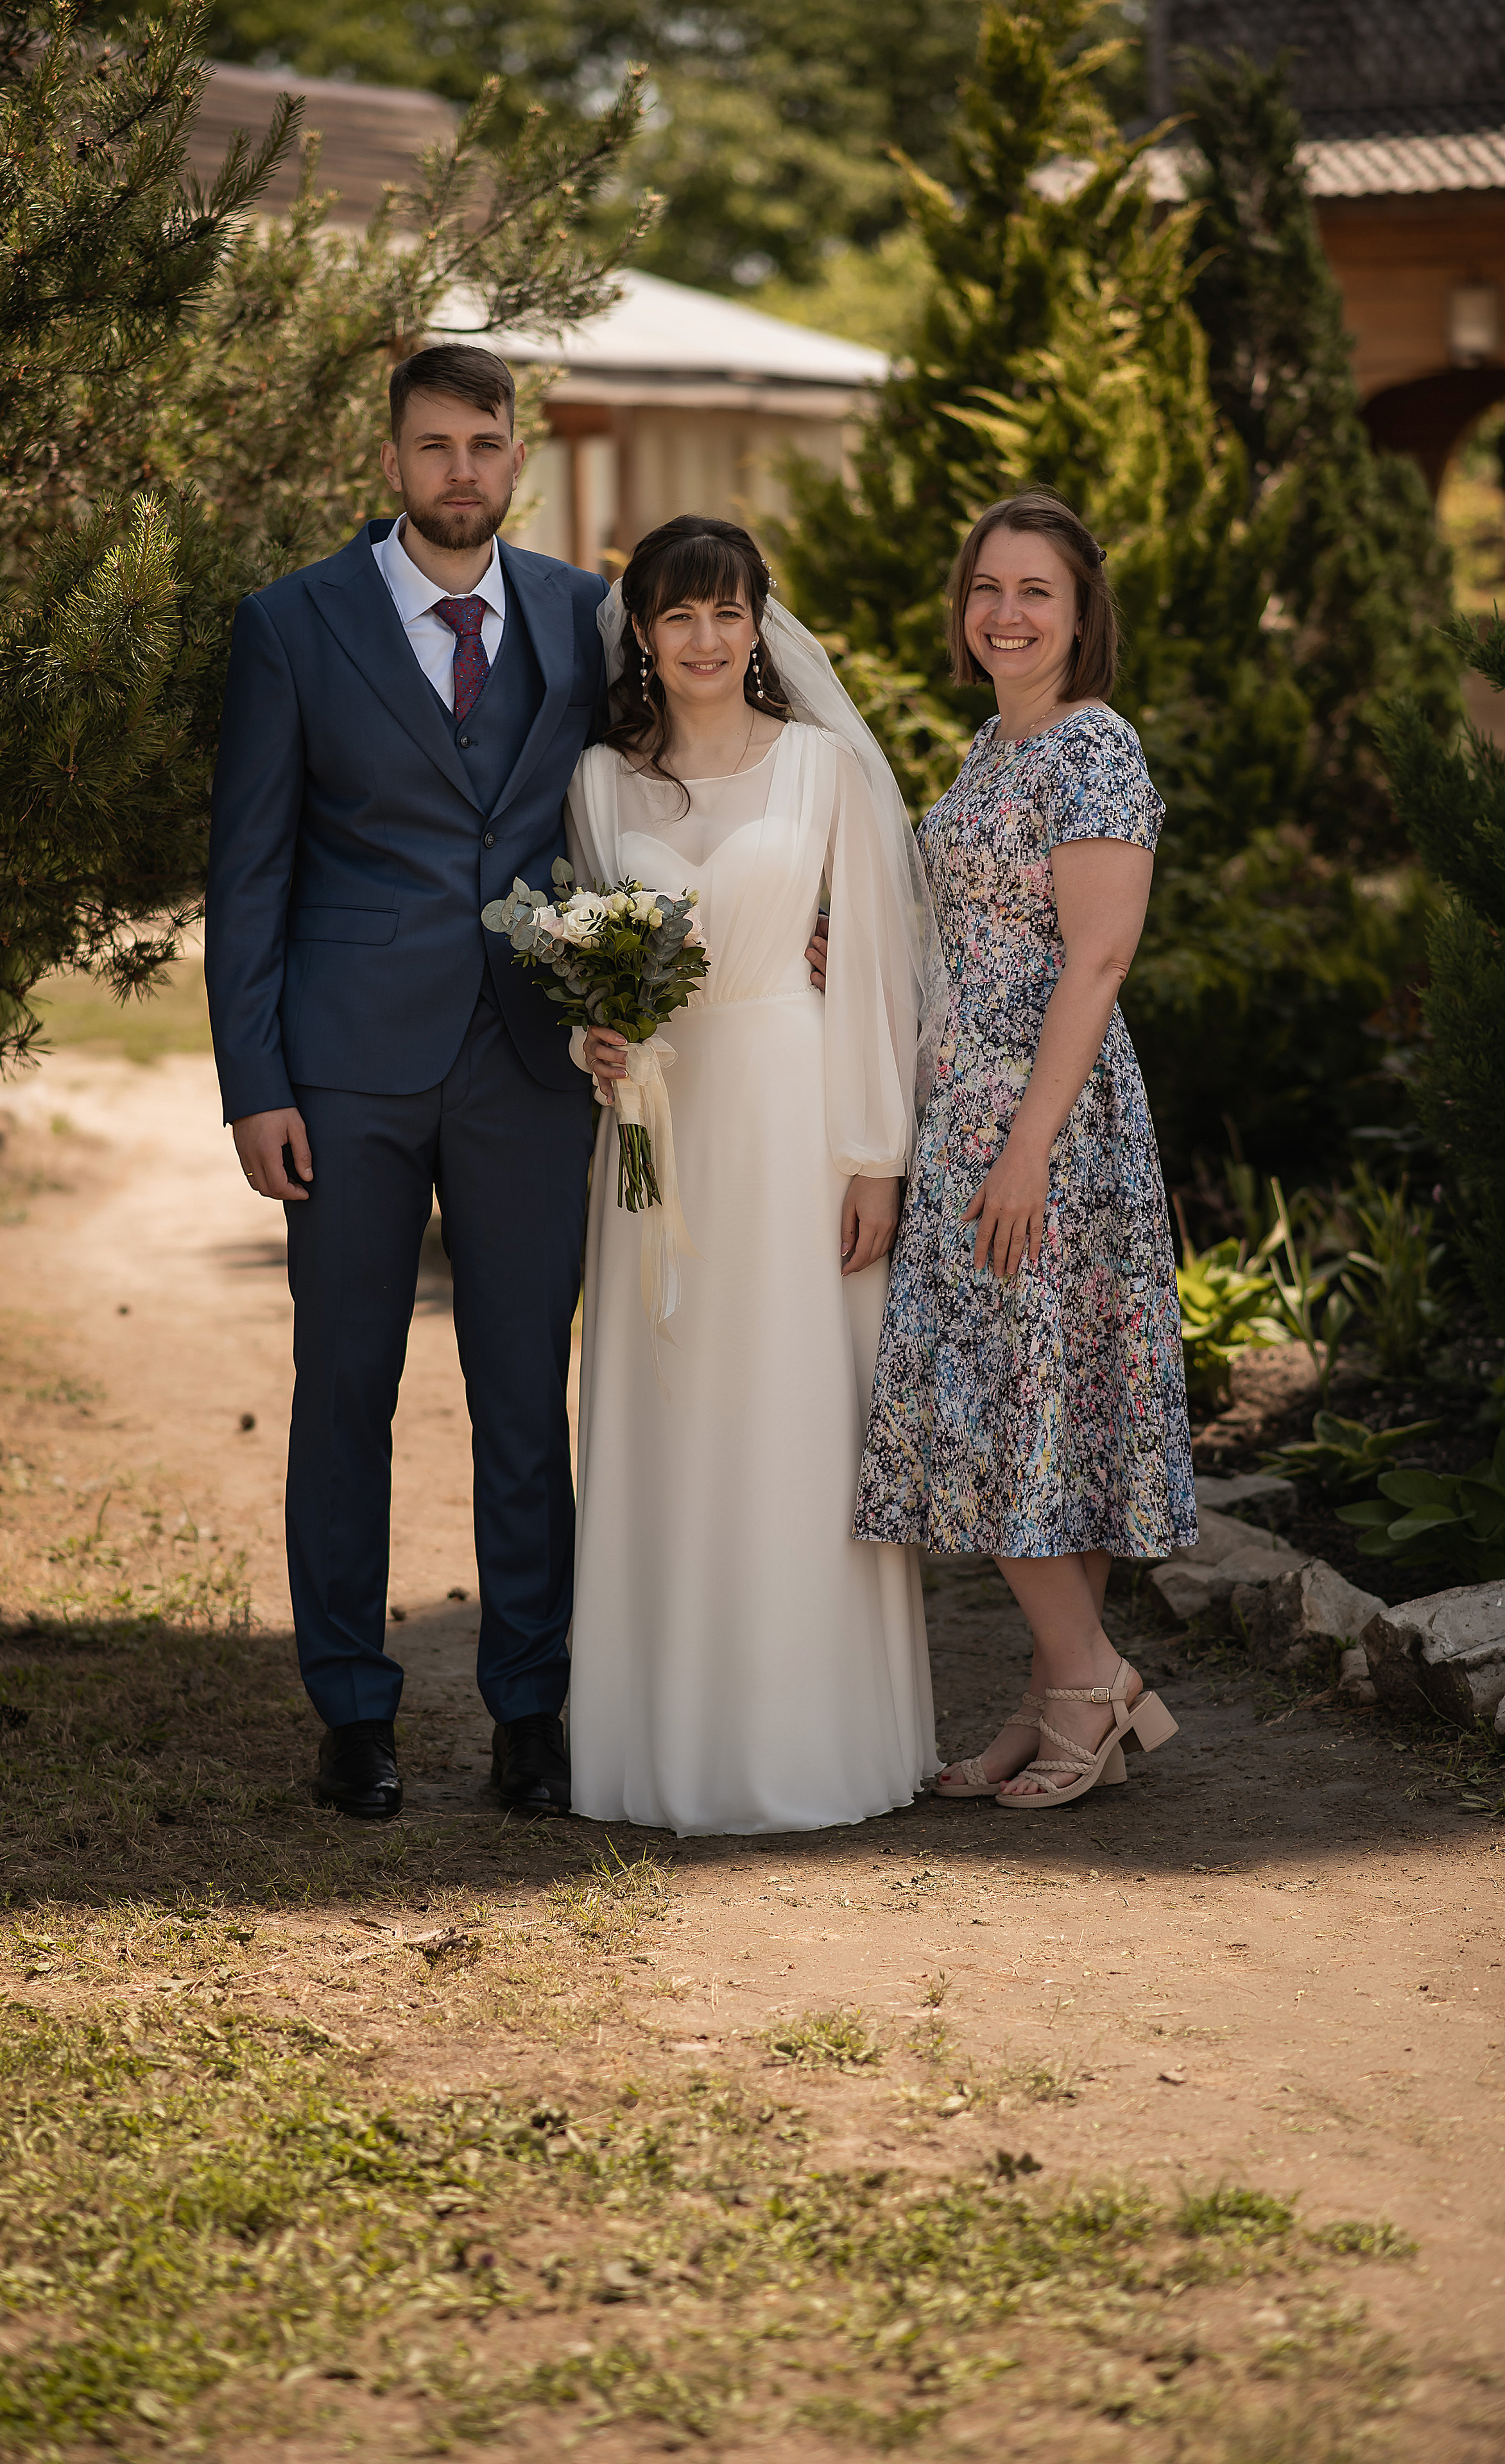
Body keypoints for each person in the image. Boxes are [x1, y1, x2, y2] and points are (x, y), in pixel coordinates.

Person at [205, 343, 609, 1822]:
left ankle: (529, 1710)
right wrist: (256, 1082)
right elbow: (247, 872)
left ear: (518, 456)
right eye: (432, 446)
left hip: (528, 1067)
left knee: (522, 1400)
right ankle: (351, 1710)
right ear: (391, 461)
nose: (459, 471)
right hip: (345, 1071)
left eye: (483, 445)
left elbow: (670, 779)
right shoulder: (291, 624)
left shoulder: (582, 614)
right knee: (344, 1392)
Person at [565, 516, 941, 1836]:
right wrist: (591, 1037)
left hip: (792, 1119)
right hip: (661, 1135)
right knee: (669, 1417)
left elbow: (880, 982)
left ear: (760, 622)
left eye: (726, 612)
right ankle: (660, 1745)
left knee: (792, 1422)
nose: (705, 640)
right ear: (642, 637)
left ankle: (808, 1740)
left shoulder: (826, 772)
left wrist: (873, 1159)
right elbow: (587, 962)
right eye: (677, 617)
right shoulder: (603, 785)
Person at [854, 492, 1194, 1810]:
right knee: (1037, 1418)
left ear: (1078, 611)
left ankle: (1088, 1683)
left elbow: (1097, 958)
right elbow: (971, 930)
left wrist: (1027, 1152)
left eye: (1034, 590)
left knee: (997, 1417)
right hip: (969, 1116)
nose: (1004, 611)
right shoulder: (994, 744)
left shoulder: (1089, 748)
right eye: (985, 587)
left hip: (1043, 1127)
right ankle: (1060, 1693)